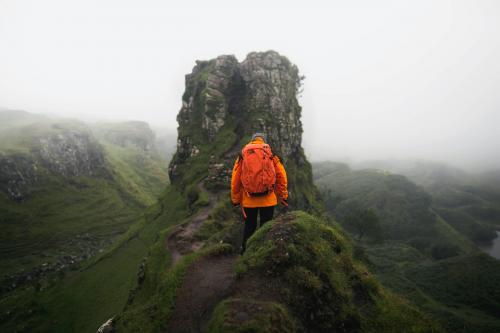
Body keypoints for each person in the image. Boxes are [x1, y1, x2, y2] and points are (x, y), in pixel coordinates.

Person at [230, 132, 288, 254]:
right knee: (266, 227)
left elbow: (235, 178)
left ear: (252, 140)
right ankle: (262, 253)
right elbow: (281, 176)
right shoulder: (271, 154)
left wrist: (236, 199)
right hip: (268, 199)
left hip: (249, 199)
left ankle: (245, 253)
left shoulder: (243, 154)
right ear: (264, 141)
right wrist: (283, 196)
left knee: (249, 227)